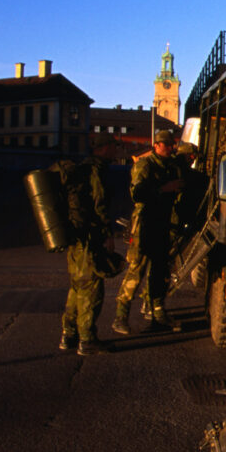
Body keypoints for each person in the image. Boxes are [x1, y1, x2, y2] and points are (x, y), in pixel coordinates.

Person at [113, 128, 184, 334]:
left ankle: (158, 312)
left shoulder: (170, 167)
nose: (171, 148)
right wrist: (164, 188)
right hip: (145, 224)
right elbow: (137, 194)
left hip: (163, 225)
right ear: (156, 145)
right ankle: (120, 316)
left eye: (172, 144)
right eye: (167, 145)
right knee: (137, 270)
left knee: (160, 272)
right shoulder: (145, 165)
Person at [57, 156, 113, 356]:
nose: (115, 151)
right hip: (89, 237)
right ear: (104, 149)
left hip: (74, 236)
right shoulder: (95, 171)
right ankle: (87, 340)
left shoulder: (79, 170)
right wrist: (107, 233)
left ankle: (69, 334)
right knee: (91, 287)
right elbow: (99, 203)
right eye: (113, 147)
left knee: (76, 286)